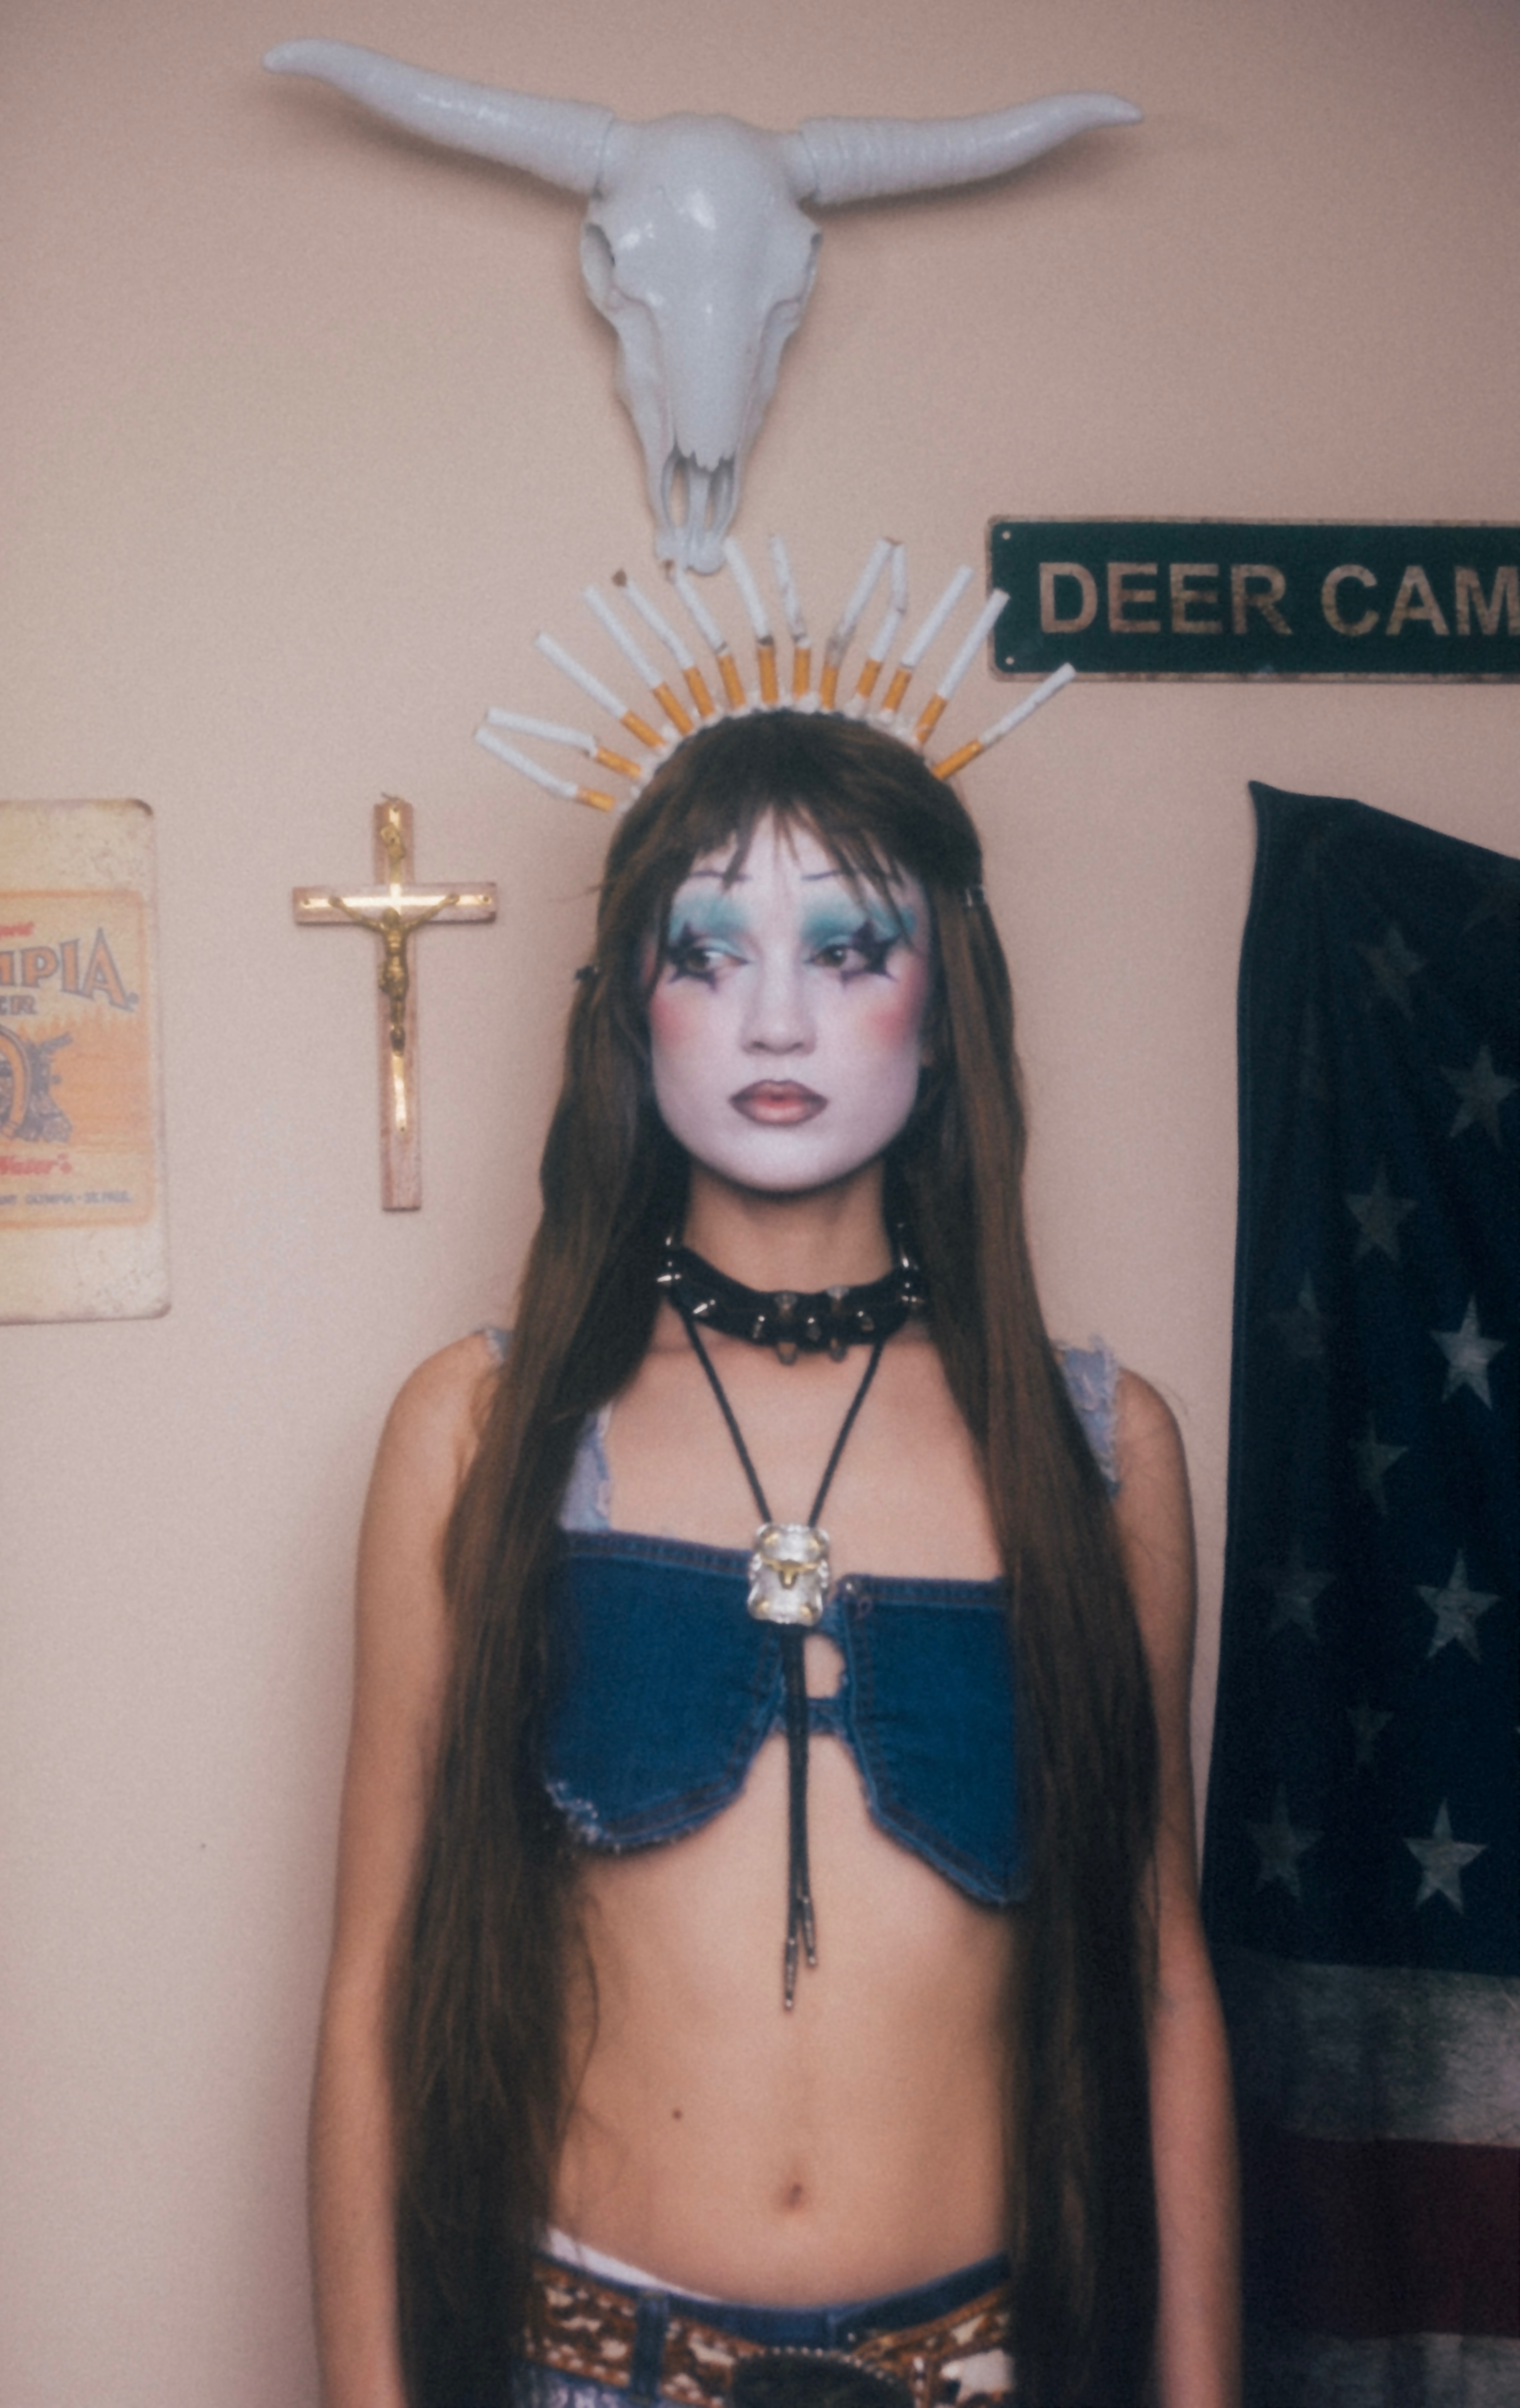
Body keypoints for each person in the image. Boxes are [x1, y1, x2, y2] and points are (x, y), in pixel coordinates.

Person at [309, 711, 1240, 2408]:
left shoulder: (1102, 1460)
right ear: (628, 1012)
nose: (775, 1017)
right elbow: (377, 1991)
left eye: (847, 945)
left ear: (943, 1012)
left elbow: (1162, 1984)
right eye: (707, 948)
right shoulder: (478, 1433)